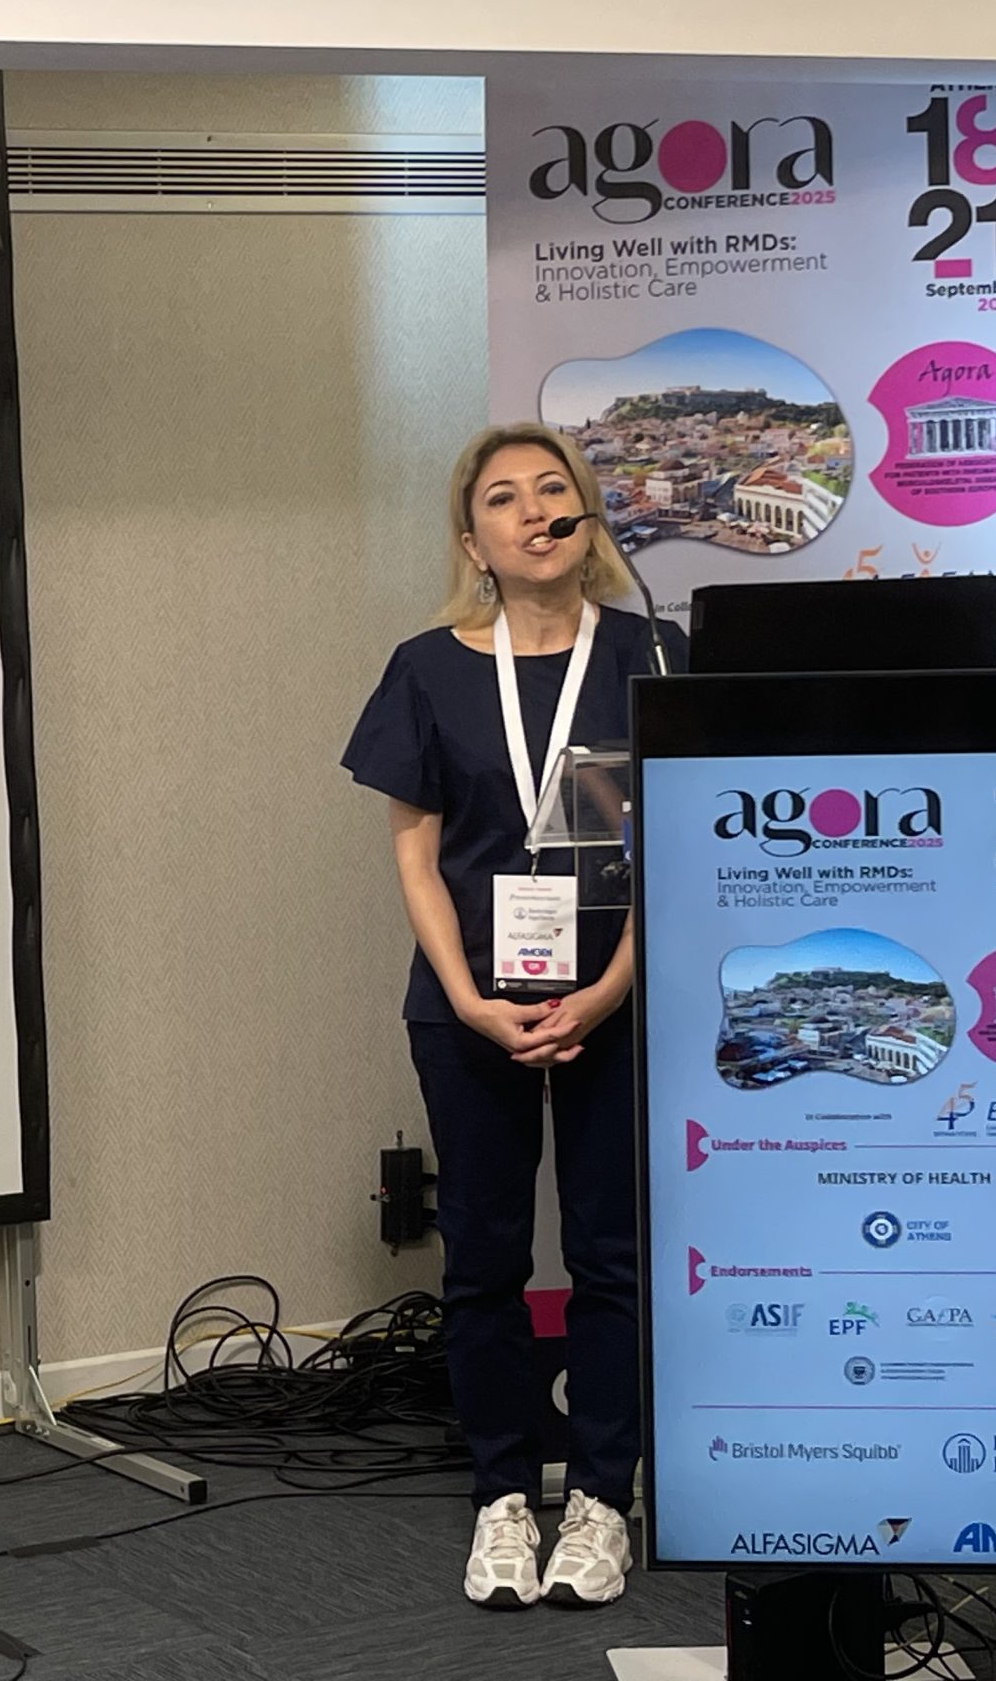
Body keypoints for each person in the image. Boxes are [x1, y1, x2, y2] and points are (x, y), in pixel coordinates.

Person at [341, 423, 687, 1610]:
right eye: (503, 497)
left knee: (610, 1258)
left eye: (554, 488)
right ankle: (501, 1493)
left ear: (585, 517)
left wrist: (611, 985)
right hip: (469, 1005)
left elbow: (681, 848)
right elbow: (415, 856)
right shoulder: (425, 669)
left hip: (618, 999)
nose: (534, 509)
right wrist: (469, 1000)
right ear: (471, 540)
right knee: (483, 1259)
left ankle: (599, 1497)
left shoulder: (653, 654)